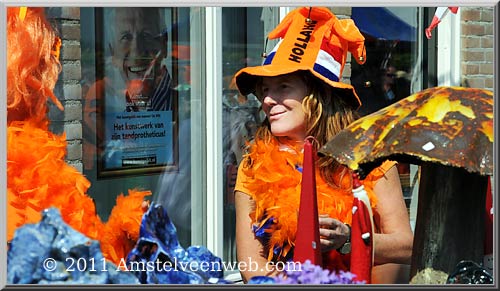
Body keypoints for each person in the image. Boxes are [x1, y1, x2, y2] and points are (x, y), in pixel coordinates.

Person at [233, 7, 413, 283]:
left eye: (283, 86)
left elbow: (406, 245)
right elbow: (251, 266)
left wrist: (350, 237)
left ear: (318, 96)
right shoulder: (253, 165)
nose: (268, 99)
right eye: (265, 89)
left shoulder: (369, 160)